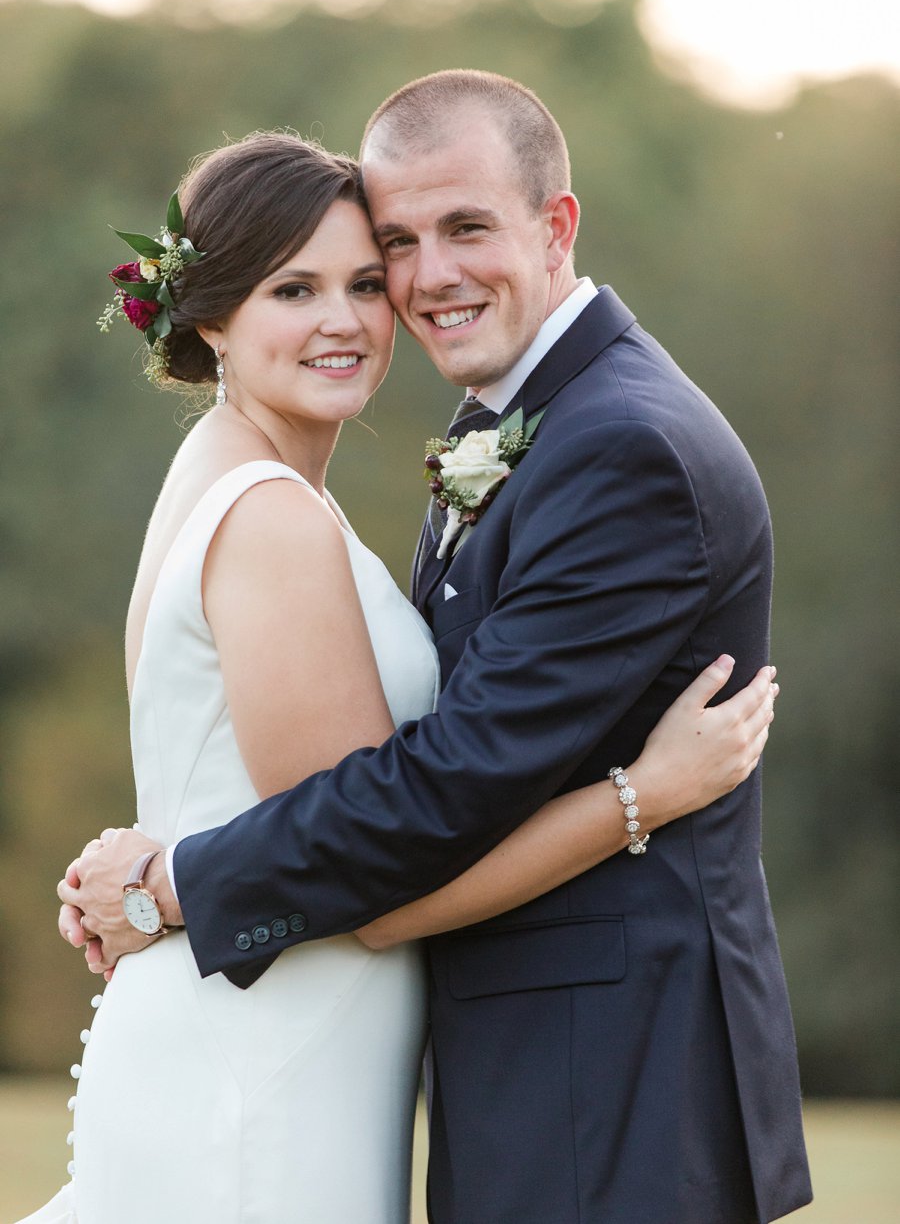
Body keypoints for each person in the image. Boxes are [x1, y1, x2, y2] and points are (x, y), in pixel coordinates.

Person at [53, 71, 810, 1223]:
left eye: (372, 275)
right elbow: (393, 830)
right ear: (210, 316)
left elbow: (421, 801)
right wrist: (639, 792)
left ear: (556, 226)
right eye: (390, 248)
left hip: (599, 1069)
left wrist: (173, 886)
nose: (387, 299)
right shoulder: (319, 493)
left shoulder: (615, 444)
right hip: (306, 1048)